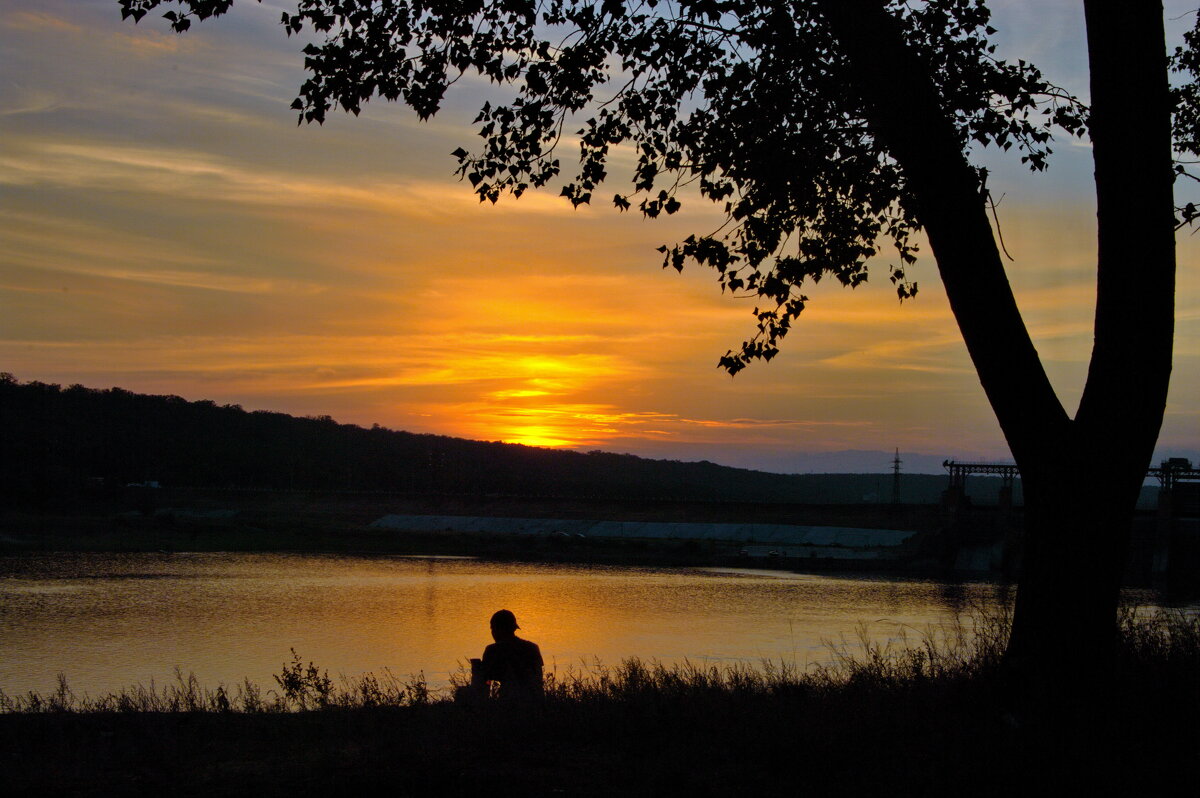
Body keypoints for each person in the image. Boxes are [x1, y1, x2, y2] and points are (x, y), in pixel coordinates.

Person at [476, 609, 543, 700]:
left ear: (497, 629)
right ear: (514, 628)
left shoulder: (493, 650)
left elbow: (484, 681)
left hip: (509, 703)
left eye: (492, 628)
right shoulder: (533, 648)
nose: (492, 632)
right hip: (535, 701)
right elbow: (537, 679)